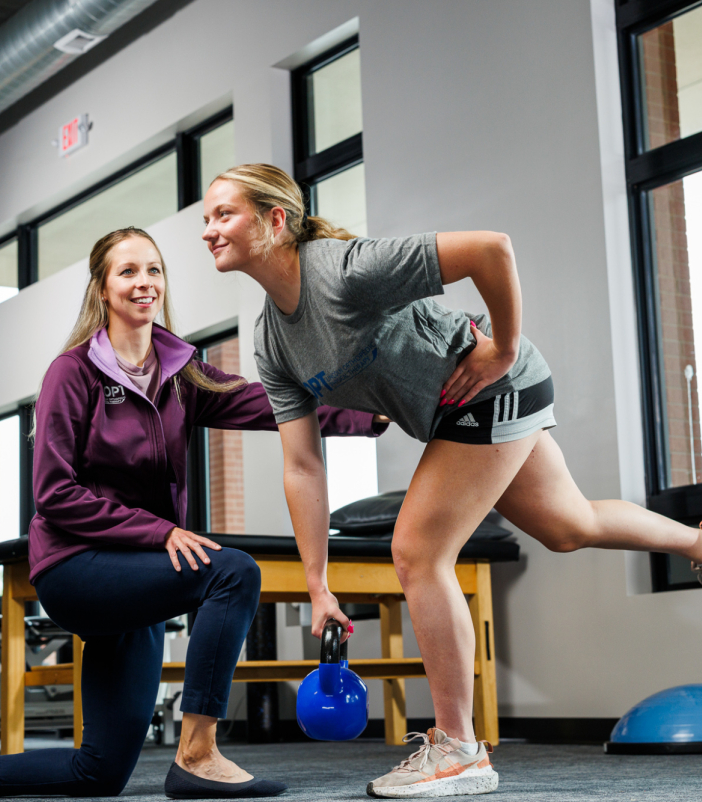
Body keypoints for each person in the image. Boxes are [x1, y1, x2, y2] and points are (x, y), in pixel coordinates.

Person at [200, 164, 702, 799]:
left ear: (276, 220)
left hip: (494, 387)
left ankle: (459, 749)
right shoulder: (272, 341)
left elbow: (491, 249)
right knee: (568, 526)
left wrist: (503, 347)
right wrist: (318, 584)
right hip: (459, 411)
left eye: (224, 214)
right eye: (206, 219)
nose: (209, 230)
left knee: (417, 551)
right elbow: (303, 464)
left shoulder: (345, 271)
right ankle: (696, 541)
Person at [0, 227, 387, 800]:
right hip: (76, 566)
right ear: (102, 289)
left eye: (153, 269)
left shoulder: (182, 372)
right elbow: (54, 494)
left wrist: (373, 413)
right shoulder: (73, 373)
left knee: (100, 772)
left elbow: (272, 406)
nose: (144, 282)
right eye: (128, 271)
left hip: (138, 572)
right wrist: (160, 531)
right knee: (233, 572)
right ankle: (198, 753)